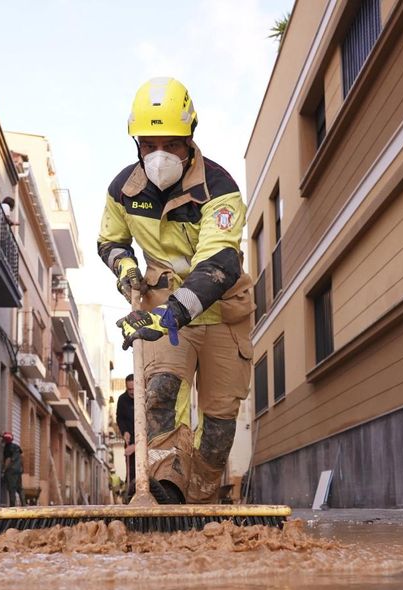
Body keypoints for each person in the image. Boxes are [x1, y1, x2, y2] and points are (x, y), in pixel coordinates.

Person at [98, 77, 253, 505]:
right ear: (137, 146)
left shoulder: (220, 189)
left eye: (171, 144)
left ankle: (202, 499)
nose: (159, 156)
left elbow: (219, 263)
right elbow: (110, 241)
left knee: (220, 425)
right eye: (148, 146)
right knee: (160, 394)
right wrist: (126, 269)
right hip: (162, 308)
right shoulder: (123, 191)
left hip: (221, 313)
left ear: (190, 141)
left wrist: (168, 315)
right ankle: (166, 491)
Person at [115, 373, 136, 492]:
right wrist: (124, 431)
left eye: (134, 389)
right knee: (131, 471)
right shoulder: (122, 400)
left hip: (145, 441)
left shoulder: (146, 397)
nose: (132, 392)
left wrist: (137, 446)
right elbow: (120, 418)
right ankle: (131, 497)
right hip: (129, 440)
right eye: (129, 389)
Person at [1, 431, 23, 507]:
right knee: (20, 488)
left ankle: (12, 506)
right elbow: (21, 458)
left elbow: (8, 460)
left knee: (12, 489)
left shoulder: (7, 447)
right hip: (18, 470)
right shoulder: (17, 447)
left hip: (11, 471)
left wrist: (3, 470)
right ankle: (24, 505)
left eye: (3, 439)